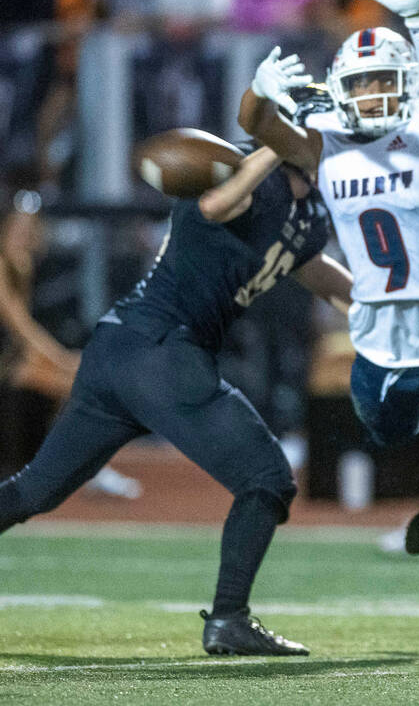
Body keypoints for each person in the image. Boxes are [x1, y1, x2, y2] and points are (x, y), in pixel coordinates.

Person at [0, 110, 353, 655]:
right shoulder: (234, 169)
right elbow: (217, 204)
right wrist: (273, 147)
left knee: (36, 490)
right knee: (267, 478)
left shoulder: (308, 211)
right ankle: (229, 618)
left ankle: (231, 619)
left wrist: (390, 309)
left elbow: (314, 270)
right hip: (163, 352)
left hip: (121, 350)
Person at [239, 0, 419, 557]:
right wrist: (258, 89)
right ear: (340, 88)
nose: (372, 94)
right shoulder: (325, 138)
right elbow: (255, 126)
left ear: (409, 82)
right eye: (359, 84)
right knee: (383, 429)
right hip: (376, 324)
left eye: (384, 81)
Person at [0, 193, 142, 497]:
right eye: (18, 228)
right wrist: (61, 359)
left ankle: (79, 466)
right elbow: (20, 328)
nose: (24, 235)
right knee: (76, 378)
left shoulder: (22, 267)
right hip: (8, 365)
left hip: (12, 362)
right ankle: (83, 468)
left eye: (30, 228)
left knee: (78, 378)